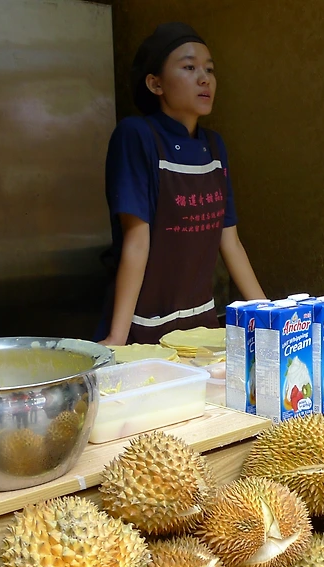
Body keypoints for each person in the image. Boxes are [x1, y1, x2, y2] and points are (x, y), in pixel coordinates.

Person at [99, 22, 266, 346]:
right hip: (142, 325)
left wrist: (269, 316)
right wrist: (117, 338)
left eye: (209, 69)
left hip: (200, 324)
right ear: (155, 83)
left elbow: (230, 242)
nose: (205, 79)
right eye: (189, 67)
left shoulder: (215, 146)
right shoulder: (137, 135)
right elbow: (137, 241)